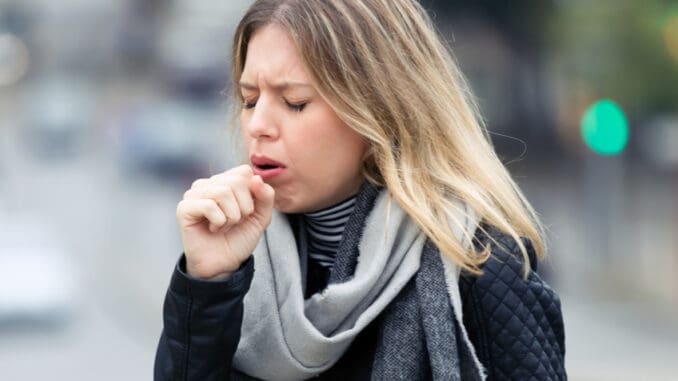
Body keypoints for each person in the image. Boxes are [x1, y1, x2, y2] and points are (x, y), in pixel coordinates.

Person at [154, 0, 566, 380]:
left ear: (378, 110)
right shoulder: (235, 265)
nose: (258, 124)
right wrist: (206, 284)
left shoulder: (480, 263)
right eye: (249, 100)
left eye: (294, 102)